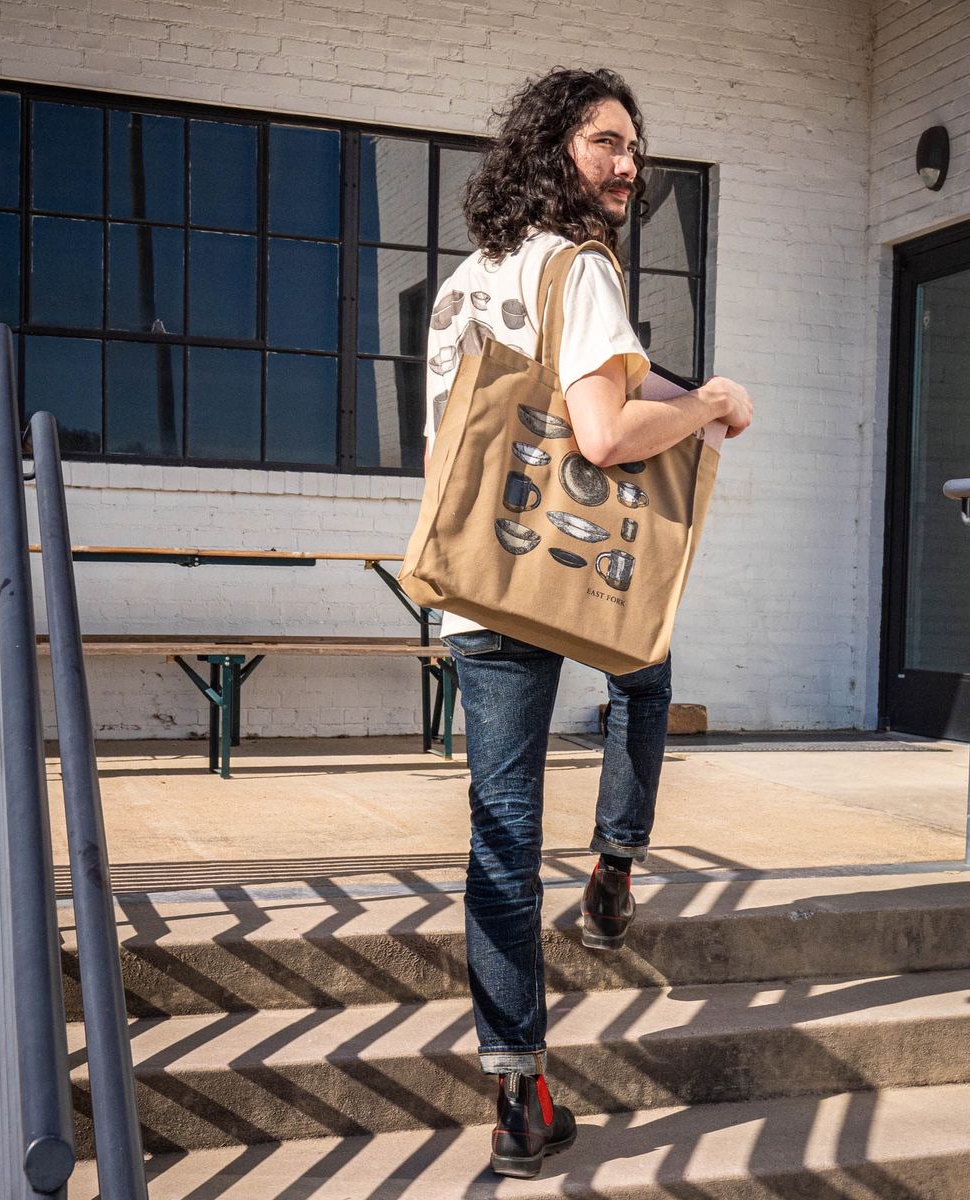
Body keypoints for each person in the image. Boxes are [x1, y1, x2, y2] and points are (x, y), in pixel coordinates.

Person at [422, 67, 753, 1179]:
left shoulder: (472, 279)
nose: (627, 164)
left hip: (479, 579)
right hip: (569, 564)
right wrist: (705, 404)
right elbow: (603, 431)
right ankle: (615, 866)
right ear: (555, 151)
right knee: (645, 667)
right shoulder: (585, 267)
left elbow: (556, 376)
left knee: (501, 830)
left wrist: (673, 377)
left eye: (634, 147)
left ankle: (518, 1094)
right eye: (606, 143)